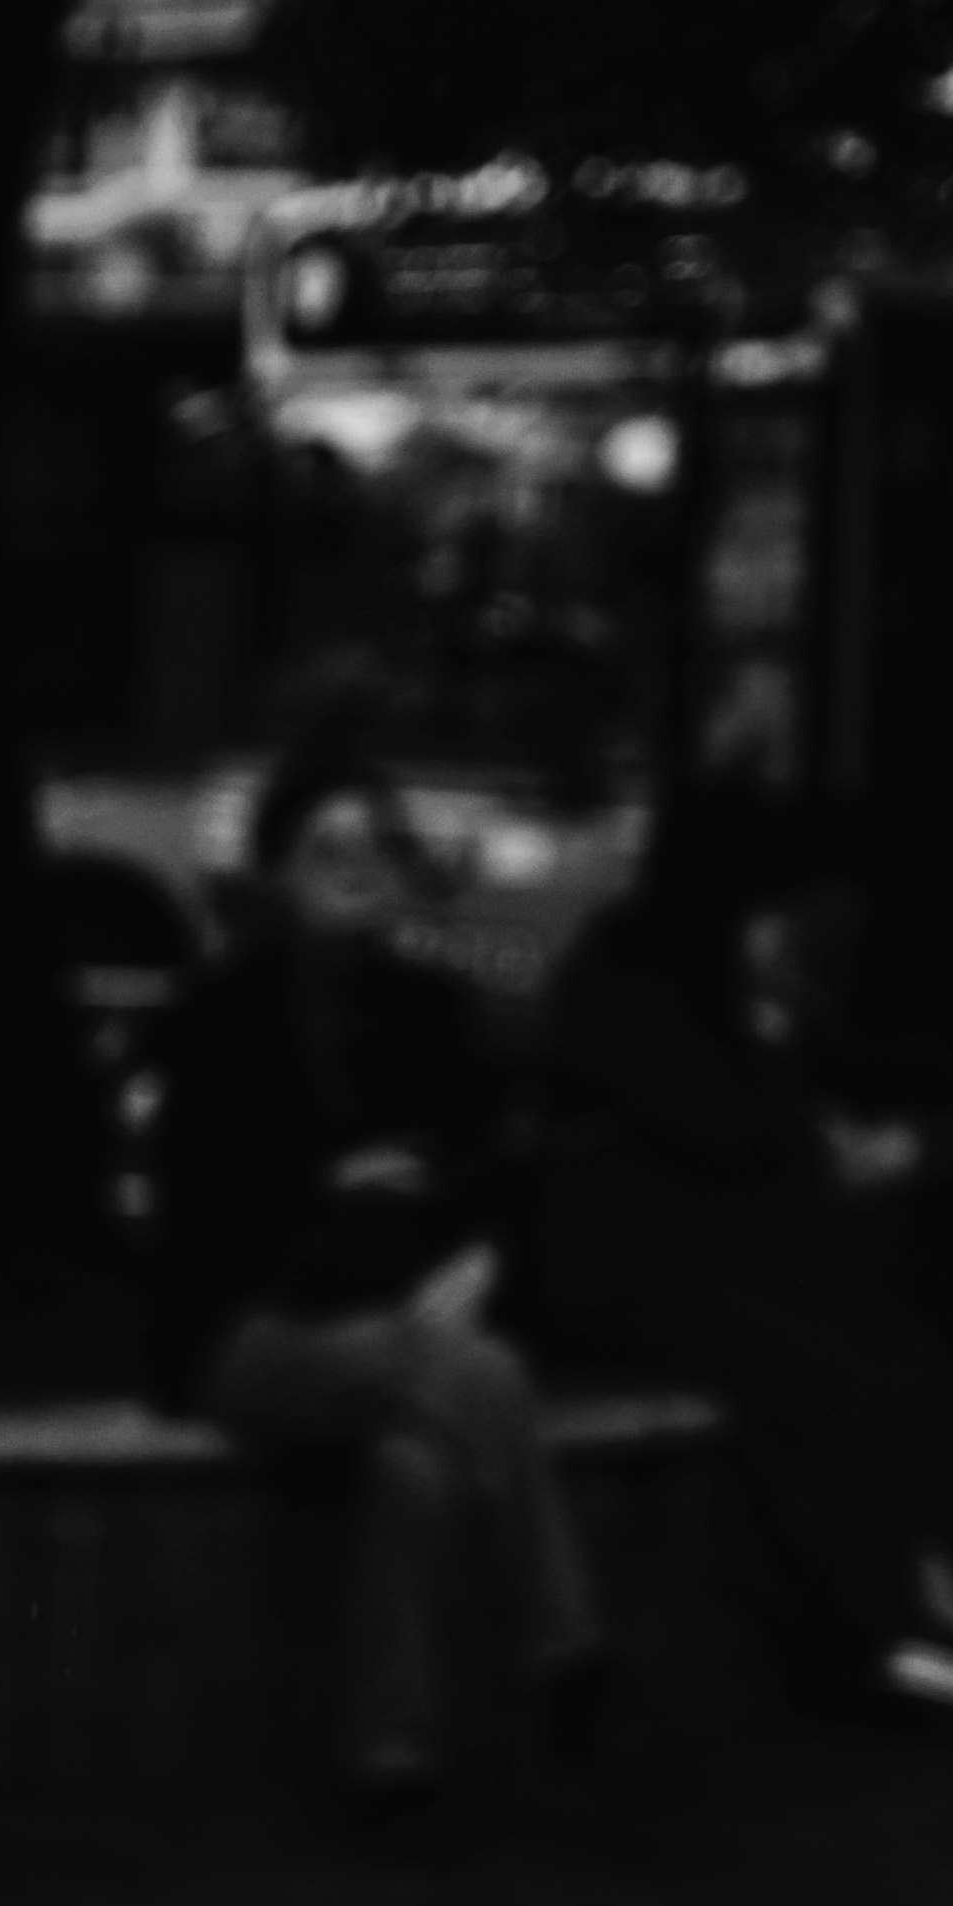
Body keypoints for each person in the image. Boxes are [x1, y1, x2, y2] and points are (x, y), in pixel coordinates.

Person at [152, 744, 616, 1828]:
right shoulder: (223, 1016)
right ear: (275, 869)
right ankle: (566, 1641)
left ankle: (390, 1762)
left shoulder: (426, 1009)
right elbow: (209, 1223)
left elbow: (491, 1179)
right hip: (249, 1331)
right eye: (326, 849)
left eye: (372, 849)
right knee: (472, 1373)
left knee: (415, 1462)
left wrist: (472, 1263)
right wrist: (329, 1184)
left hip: (400, 1328)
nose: (352, 869)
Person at [524, 804, 953, 1715]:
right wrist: (797, 1071)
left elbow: (847, 1067)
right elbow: (734, 1127)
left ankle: (938, 1594)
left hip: (707, 1252)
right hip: (628, 1269)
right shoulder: (630, 986)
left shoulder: (718, 986)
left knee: (889, 1339)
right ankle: (875, 1618)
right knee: (829, 1365)